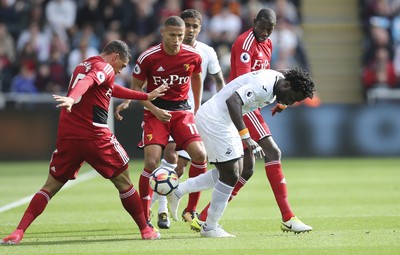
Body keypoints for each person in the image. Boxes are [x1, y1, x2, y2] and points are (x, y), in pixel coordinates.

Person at [0, 40, 167, 245]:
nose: (120, 71)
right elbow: (87, 82)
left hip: (68, 137)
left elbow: (108, 88)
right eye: (121, 66)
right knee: (124, 181)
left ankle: (18, 232)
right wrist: (71, 98)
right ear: (114, 57)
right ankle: (145, 229)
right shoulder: (104, 67)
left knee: (50, 186)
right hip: (95, 136)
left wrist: (145, 95)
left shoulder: (84, 64)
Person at [196, 8, 313, 233]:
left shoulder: (267, 44)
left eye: (270, 29)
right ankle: (288, 217)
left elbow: (277, 77)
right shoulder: (245, 44)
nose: (265, 33)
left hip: (251, 104)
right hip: (241, 106)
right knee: (273, 152)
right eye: (262, 27)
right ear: (254, 22)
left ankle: (203, 215)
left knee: (246, 170)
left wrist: (284, 102)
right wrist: (245, 133)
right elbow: (243, 85)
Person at [167, 68, 315, 237]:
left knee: (234, 171)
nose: (289, 102)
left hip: (224, 121)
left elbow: (288, 74)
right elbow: (233, 101)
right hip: (214, 120)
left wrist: (283, 103)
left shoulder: (282, 81)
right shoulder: (264, 86)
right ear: (287, 84)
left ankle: (178, 191)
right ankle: (209, 227)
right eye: (291, 98)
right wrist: (246, 136)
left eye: (293, 101)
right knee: (230, 175)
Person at [114, 16, 207, 230]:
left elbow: (196, 78)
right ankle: (145, 214)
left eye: (180, 36)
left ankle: (190, 210)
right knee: (151, 162)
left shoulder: (193, 55)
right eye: (172, 35)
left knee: (200, 156)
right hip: (155, 112)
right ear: (163, 33)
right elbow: (137, 90)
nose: (176, 40)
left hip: (182, 111)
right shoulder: (149, 57)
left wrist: (197, 107)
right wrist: (155, 110)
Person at [149, 9, 226, 230]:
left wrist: (221, 108)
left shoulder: (207, 52)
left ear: (200, 28)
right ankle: (161, 210)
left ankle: (180, 208)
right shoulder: (164, 51)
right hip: (170, 111)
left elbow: (219, 81)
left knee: (184, 166)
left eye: (195, 26)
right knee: (171, 157)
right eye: (187, 25)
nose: (190, 30)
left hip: (195, 115)